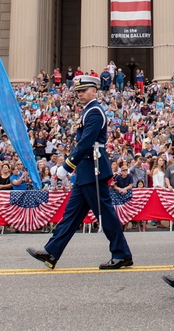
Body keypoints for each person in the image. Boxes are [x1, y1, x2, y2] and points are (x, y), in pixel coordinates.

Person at [27, 75, 133, 270]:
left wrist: (67, 166)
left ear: (94, 91)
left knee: (105, 214)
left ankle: (122, 254)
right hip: (87, 170)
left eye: (84, 90)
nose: (80, 94)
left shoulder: (94, 112)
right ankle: (52, 251)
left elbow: (85, 143)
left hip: (93, 170)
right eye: (78, 91)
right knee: (71, 215)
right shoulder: (88, 111)